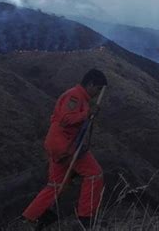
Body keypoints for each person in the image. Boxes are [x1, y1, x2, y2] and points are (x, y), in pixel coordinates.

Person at [22, 69, 107, 230]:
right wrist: (87, 113)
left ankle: (30, 216)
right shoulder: (75, 96)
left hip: (57, 144)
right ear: (90, 84)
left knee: (56, 184)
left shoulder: (80, 97)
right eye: (98, 89)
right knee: (94, 174)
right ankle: (86, 217)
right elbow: (66, 119)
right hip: (65, 145)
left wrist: (88, 113)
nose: (97, 93)